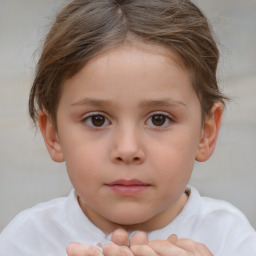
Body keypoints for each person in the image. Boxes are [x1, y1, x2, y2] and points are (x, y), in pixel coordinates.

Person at [0, 0, 255, 255]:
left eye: (159, 119)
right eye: (97, 120)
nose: (127, 149)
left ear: (205, 133)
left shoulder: (230, 239)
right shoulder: (26, 241)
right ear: (53, 134)